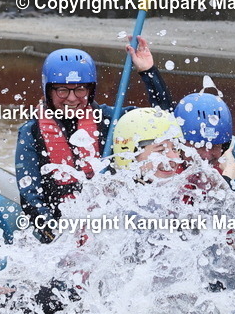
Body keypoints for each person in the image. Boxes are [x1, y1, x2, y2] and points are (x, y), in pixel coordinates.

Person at [15, 38, 174, 242]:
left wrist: (148, 72)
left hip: (108, 228)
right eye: (62, 90)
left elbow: (164, 121)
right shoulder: (31, 132)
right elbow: (29, 195)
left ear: (90, 91)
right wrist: (57, 235)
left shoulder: (110, 119)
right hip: (58, 233)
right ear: (48, 90)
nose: (72, 98)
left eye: (80, 89)